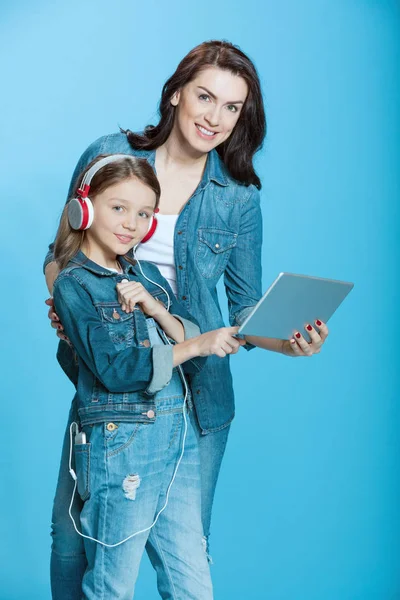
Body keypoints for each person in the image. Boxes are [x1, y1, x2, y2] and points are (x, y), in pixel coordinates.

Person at [44, 40, 329, 599]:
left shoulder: (239, 199)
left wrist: (288, 342)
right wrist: (69, 314)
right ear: (176, 94)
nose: (215, 117)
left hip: (196, 399)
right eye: (205, 97)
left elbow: (246, 309)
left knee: (183, 556)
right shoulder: (110, 154)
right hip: (112, 391)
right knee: (72, 541)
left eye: (232, 107)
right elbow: (62, 251)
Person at [51, 152, 244, 599]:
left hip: (178, 445)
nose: (131, 223)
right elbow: (115, 371)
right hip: (124, 450)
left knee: (192, 581)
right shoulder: (74, 285)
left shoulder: (148, 275)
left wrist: (157, 308)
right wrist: (195, 343)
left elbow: (189, 347)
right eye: (119, 208)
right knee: (111, 584)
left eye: (143, 213)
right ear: (85, 206)